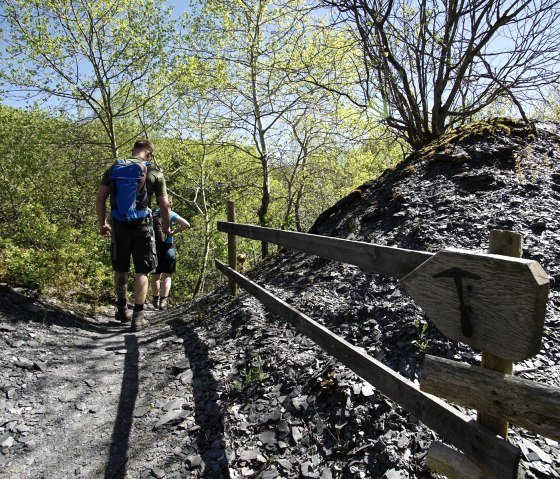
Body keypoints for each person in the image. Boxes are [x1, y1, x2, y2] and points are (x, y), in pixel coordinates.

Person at [95, 139, 171, 332]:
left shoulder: (114, 168)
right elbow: (164, 204)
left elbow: (100, 198)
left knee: (120, 267)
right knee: (142, 270)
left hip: (119, 225)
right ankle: (138, 316)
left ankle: (121, 309)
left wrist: (103, 223)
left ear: (133, 151)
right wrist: (166, 227)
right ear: (149, 153)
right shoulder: (153, 171)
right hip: (142, 226)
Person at [151, 197, 191, 310]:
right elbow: (186, 224)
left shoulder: (153, 212)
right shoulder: (171, 213)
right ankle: (163, 302)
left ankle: (155, 299)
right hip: (168, 247)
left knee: (155, 275)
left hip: (154, 247)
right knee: (167, 276)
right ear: (170, 203)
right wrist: (173, 233)